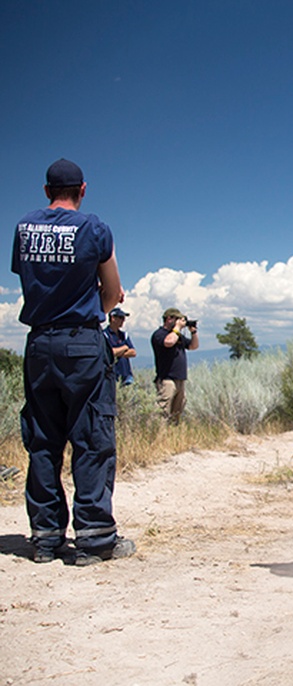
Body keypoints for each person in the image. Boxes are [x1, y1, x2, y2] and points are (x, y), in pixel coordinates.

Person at [11, 158, 135, 565]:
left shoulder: (24, 228)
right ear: (83, 190)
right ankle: (95, 539)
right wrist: (95, 303)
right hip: (81, 341)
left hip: (39, 344)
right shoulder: (94, 229)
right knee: (92, 439)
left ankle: (45, 538)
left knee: (43, 440)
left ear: (46, 192)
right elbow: (112, 293)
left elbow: (30, 281)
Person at [151, 307, 199, 423]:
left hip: (180, 378)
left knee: (177, 410)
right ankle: (158, 433)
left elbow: (193, 346)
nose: (180, 322)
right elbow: (169, 342)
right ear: (169, 319)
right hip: (167, 378)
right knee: (163, 408)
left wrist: (193, 332)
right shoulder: (159, 334)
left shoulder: (178, 336)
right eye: (177, 319)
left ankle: (172, 433)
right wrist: (177, 328)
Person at [104, 307, 136, 385]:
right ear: (113, 318)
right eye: (121, 318)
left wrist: (117, 352)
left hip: (127, 375)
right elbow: (109, 352)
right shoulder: (104, 335)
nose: (123, 320)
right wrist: (124, 348)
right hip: (112, 375)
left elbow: (133, 352)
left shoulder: (124, 335)